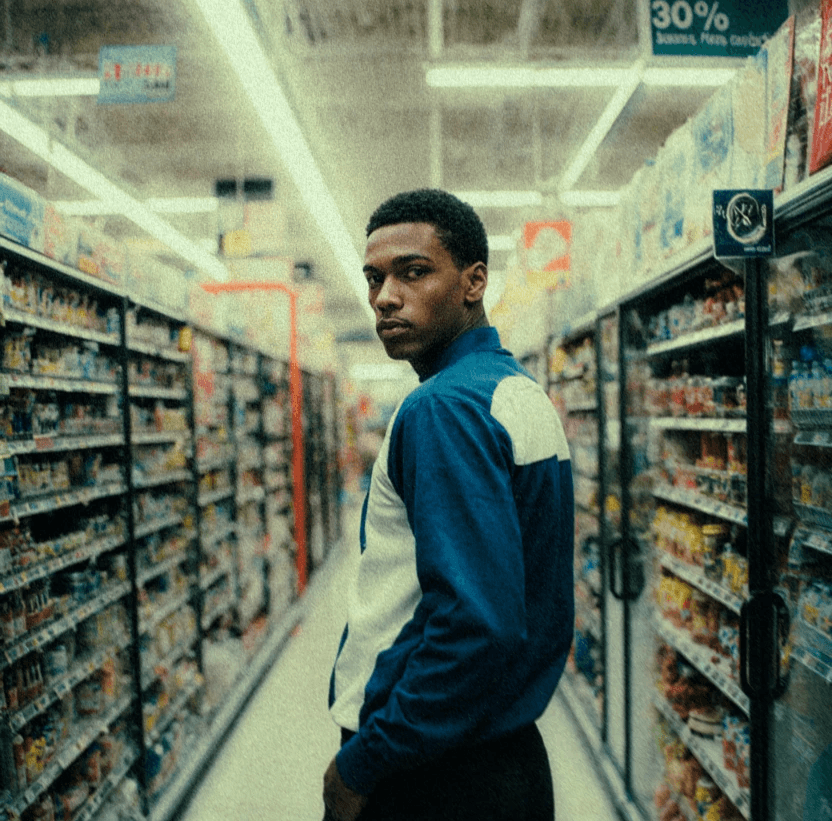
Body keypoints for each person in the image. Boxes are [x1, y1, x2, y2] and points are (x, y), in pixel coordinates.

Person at [323, 189, 574, 821]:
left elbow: (475, 624)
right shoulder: (512, 388)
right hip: (501, 752)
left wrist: (364, 761)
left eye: (413, 272)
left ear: (473, 282)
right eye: (374, 278)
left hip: (431, 769)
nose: (386, 296)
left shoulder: (443, 408)